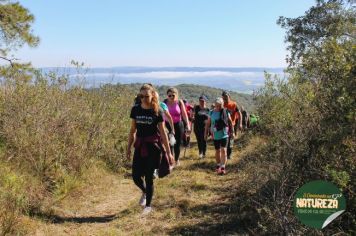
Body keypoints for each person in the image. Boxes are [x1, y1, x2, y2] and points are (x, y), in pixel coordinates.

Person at [127, 84, 174, 215]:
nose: (143, 99)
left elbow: (163, 133)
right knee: (136, 176)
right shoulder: (135, 110)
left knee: (148, 176)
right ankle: (145, 191)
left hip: (153, 147)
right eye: (141, 96)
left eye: (146, 96)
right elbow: (132, 130)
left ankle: (148, 206)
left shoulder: (157, 111)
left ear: (153, 95)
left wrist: (169, 153)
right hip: (139, 145)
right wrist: (128, 147)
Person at [204, 97, 234, 175]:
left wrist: (232, 132)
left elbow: (230, 122)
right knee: (217, 151)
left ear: (222, 105)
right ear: (215, 105)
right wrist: (206, 133)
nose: (218, 107)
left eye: (220, 106)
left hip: (224, 134)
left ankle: (223, 167)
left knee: (224, 150)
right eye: (217, 105)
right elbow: (208, 124)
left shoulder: (225, 112)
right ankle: (218, 165)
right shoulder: (211, 112)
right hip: (215, 135)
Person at [164, 87, 191, 166]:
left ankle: (176, 159)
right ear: (167, 96)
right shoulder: (164, 103)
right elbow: (161, 114)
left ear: (176, 95)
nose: (171, 97)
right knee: (170, 143)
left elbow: (184, 114)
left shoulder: (179, 102)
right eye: (169, 95)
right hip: (168, 125)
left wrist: (188, 125)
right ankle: (171, 160)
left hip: (179, 125)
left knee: (177, 143)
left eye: (173, 95)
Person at [222, 91, 242, 159]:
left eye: (226, 96)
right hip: (224, 125)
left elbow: (239, 114)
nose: (225, 98)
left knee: (231, 140)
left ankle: (229, 154)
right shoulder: (221, 104)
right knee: (225, 140)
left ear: (229, 96)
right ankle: (224, 153)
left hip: (232, 125)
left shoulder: (233, 104)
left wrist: (240, 123)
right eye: (224, 96)